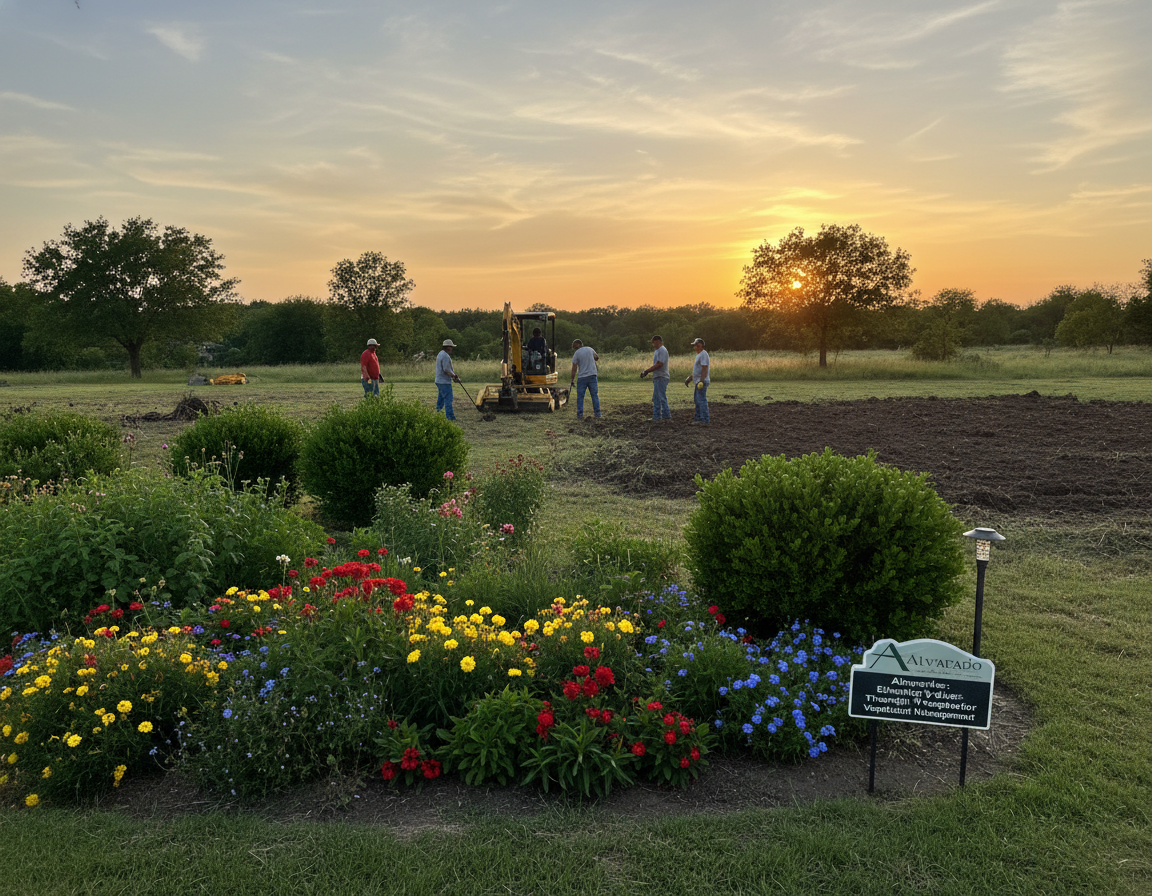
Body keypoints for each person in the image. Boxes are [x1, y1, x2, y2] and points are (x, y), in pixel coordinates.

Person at [640, 334, 671, 421]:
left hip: (661, 376)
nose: (653, 344)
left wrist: (647, 371)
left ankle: (666, 416)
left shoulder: (662, 350)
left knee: (661, 397)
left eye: (654, 342)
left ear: (659, 342)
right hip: (658, 377)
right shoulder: (658, 351)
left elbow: (659, 364)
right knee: (656, 398)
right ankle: (656, 417)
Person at [569, 339, 600, 419]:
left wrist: (572, 380)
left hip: (582, 377)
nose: (574, 348)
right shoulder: (590, 349)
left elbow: (574, 368)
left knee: (580, 397)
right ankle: (597, 415)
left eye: (574, 346)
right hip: (592, 375)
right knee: (594, 396)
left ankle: (580, 415)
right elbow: (597, 357)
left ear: (577, 345)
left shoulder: (576, 354)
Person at [685, 337, 710, 424]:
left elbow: (704, 368)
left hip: (701, 382)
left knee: (701, 400)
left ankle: (704, 420)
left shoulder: (703, 354)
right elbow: (698, 370)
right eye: (695, 345)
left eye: (697, 345)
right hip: (698, 381)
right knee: (697, 400)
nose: (695, 347)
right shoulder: (699, 355)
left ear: (701, 345)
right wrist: (691, 378)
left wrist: (701, 381)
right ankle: (698, 419)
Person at [435, 339, 460, 420]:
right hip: (444, 382)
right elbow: (446, 369)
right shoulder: (446, 356)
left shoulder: (440, 354)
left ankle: (438, 413)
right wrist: (454, 376)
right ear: (448, 347)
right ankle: (450, 418)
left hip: (438, 381)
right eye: (451, 347)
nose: (452, 348)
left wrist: (453, 376)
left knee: (441, 398)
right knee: (448, 399)